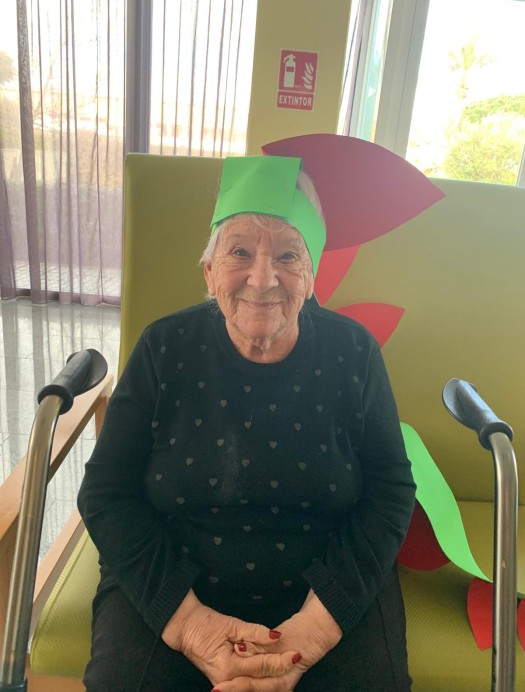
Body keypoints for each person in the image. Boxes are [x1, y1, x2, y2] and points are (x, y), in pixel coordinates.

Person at [77, 154, 416, 691]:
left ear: (311, 276)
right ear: (209, 271)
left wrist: (315, 630)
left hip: (327, 580)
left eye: (287, 255)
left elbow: (391, 491)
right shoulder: (163, 347)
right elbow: (105, 492)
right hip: (173, 573)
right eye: (239, 252)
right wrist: (191, 626)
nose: (263, 278)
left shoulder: (354, 352)